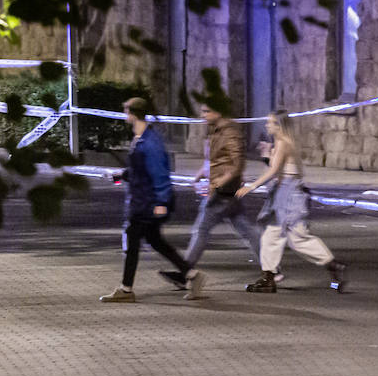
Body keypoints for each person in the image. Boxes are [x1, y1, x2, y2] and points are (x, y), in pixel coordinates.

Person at [100, 98, 207, 302]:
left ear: (133, 114)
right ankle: (193, 275)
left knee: (133, 240)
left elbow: (160, 175)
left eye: (126, 112)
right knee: (155, 241)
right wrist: (121, 176)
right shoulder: (142, 138)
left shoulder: (150, 142)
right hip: (142, 200)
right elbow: (140, 170)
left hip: (147, 203)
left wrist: (161, 203)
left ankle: (126, 289)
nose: (125, 116)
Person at [236, 111, 348, 293]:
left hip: (289, 195)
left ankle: (333, 265)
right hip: (283, 193)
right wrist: (266, 155)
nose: (267, 126)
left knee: (297, 238)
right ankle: (268, 277)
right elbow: (278, 169)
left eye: (271, 123)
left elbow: (274, 172)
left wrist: (251, 186)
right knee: (271, 234)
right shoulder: (280, 144)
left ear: (280, 126)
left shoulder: (284, 143)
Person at [159, 101, 263, 289]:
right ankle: (272, 268)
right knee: (246, 230)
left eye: (207, 111)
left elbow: (236, 164)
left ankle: (185, 273)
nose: (203, 115)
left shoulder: (230, 133)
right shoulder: (217, 131)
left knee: (201, 230)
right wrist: (197, 178)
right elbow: (213, 162)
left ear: (219, 112)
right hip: (226, 193)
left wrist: (217, 184)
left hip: (222, 193)